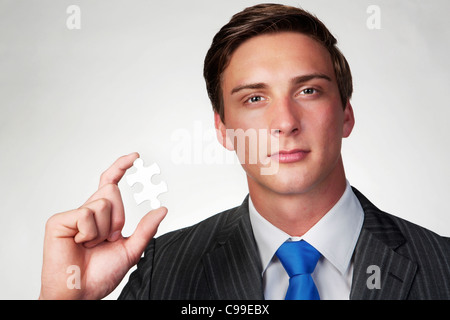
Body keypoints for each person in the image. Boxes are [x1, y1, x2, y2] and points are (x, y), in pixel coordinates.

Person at [39, 3, 450, 300]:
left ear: (345, 114)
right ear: (223, 129)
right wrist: (67, 296)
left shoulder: (443, 268)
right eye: (254, 99)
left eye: (308, 91)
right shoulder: (162, 271)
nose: (285, 122)